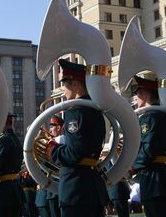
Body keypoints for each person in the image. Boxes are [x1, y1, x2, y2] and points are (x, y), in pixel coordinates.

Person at [45, 59, 109, 216]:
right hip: (91, 186)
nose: (62, 89)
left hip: (76, 188)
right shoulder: (94, 109)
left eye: (64, 84)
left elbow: (74, 153)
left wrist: (51, 149)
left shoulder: (76, 112)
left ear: (75, 84)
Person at [129, 76, 166, 217]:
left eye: (137, 95)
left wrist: (132, 166)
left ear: (145, 95)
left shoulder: (149, 117)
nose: (136, 99)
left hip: (154, 178)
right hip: (165, 175)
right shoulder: (165, 115)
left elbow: (149, 148)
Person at [46, 115, 64, 217]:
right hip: (54, 185)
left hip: (57, 184)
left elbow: (49, 161)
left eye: (52, 126)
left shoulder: (60, 139)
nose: (49, 129)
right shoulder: (55, 140)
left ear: (58, 128)